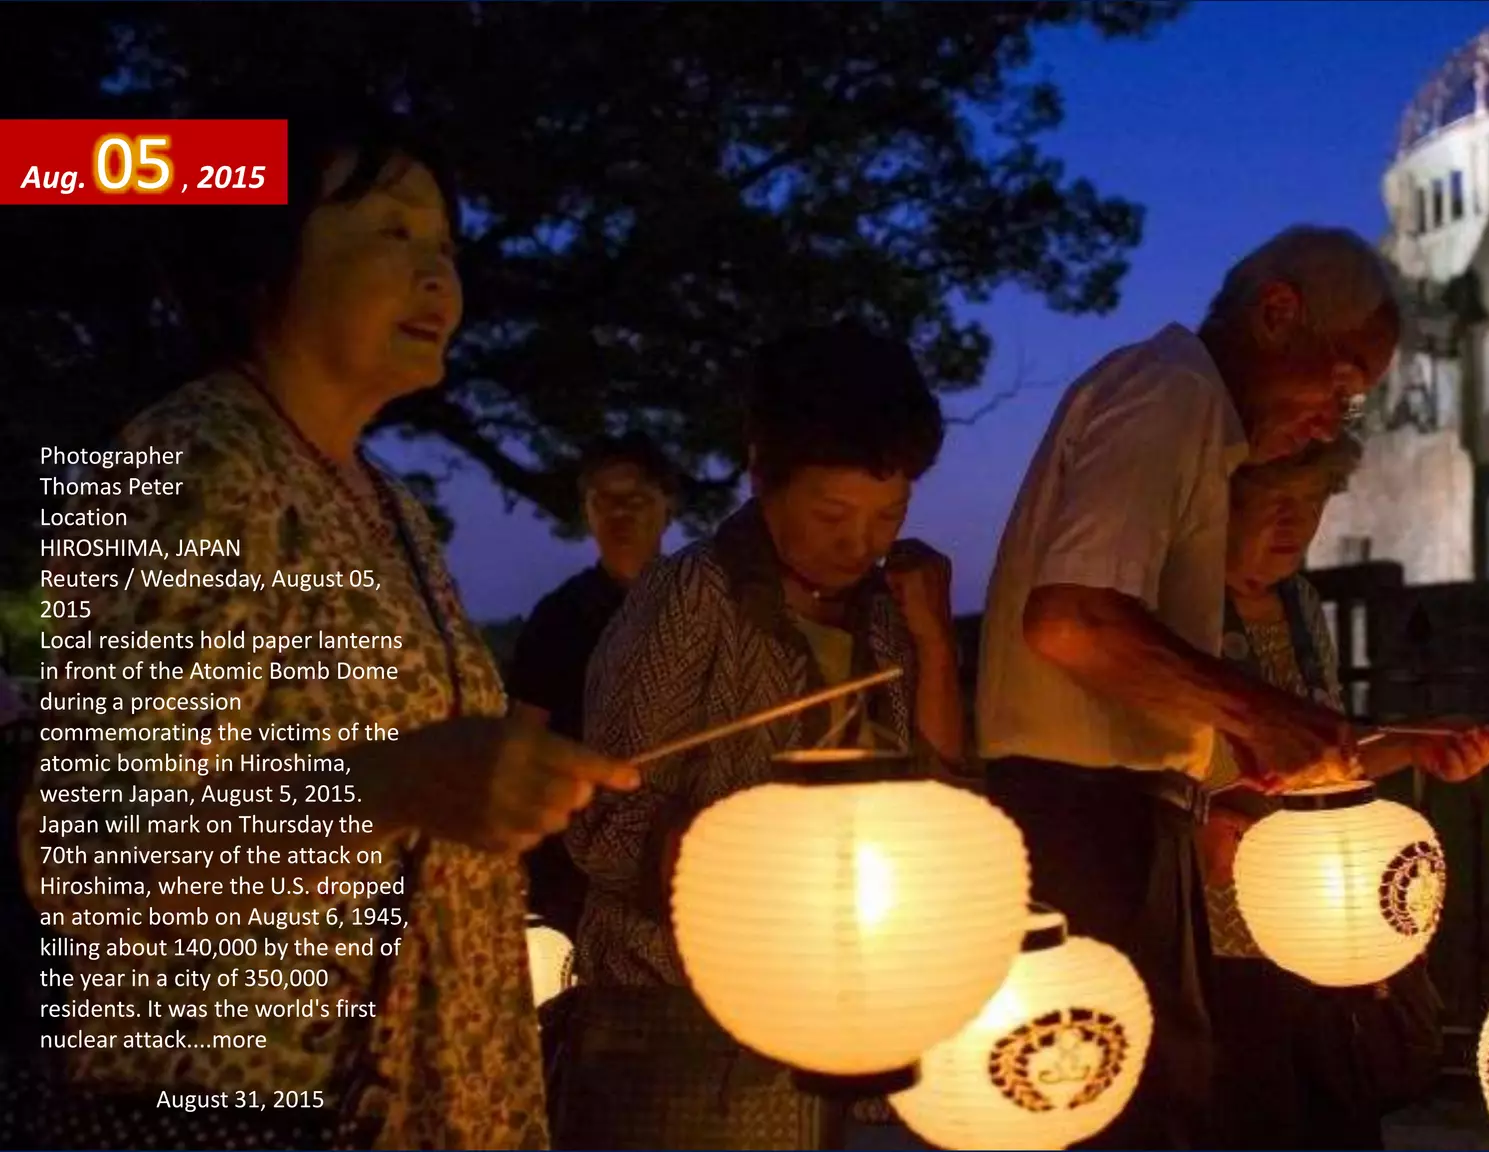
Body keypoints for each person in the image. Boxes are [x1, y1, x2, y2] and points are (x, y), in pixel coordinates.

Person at [12, 100, 635, 1149]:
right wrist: (393, 785)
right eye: (391, 232)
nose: (439, 277)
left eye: (444, 246)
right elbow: (86, 856)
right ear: (263, 260)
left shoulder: (375, 496)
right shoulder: (197, 462)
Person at [975, 224, 1489, 1150]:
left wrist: (1256, 736)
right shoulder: (1171, 393)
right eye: (1340, 383)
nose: (1335, 417)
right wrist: (1257, 709)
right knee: (1127, 1103)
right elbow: (1072, 620)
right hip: (1085, 816)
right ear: (1277, 314)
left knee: (1154, 1092)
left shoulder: (1188, 415)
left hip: (1124, 811)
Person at [551, 324, 960, 1149]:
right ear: (761, 474)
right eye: (832, 512)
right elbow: (605, 825)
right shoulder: (693, 597)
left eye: (891, 515)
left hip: (855, 1024)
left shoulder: (886, 613)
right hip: (685, 1038)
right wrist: (754, 880)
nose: (861, 544)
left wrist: (935, 644)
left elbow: (947, 799)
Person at [1198, 433, 1444, 1150]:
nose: (1293, 524)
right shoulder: (1180, 610)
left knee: (1339, 1114)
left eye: (1309, 504)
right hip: (1228, 930)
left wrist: (1417, 743)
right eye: (1272, 502)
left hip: (1325, 926)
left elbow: (1330, 754)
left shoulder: (1303, 606)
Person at [510, 434, 677, 934]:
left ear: (667, 508)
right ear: (587, 512)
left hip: (682, 838)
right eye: (604, 501)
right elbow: (524, 735)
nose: (620, 515)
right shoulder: (559, 617)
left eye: (637, 500)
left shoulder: (700, 603)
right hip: (574, 859)